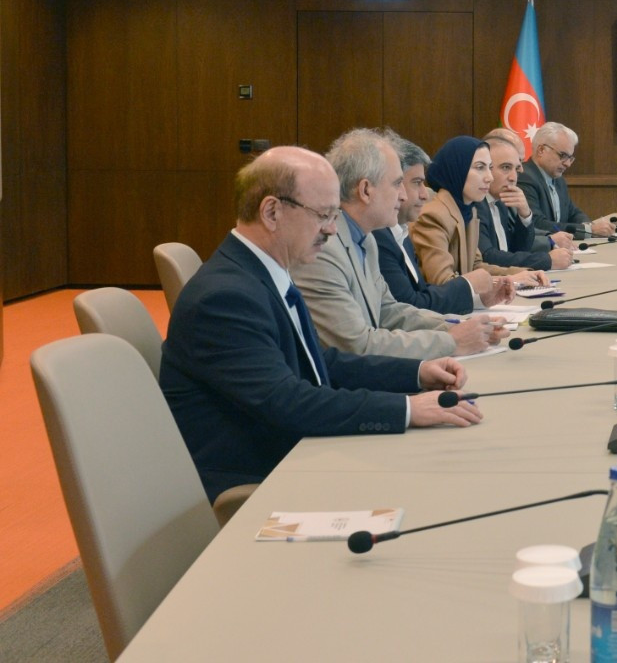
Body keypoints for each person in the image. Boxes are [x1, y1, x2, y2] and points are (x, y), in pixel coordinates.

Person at [159, 146, 483, 500]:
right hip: (260, 480)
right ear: (271, 212)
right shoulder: (226, 298)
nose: (331, 229)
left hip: (296, 453)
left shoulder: (262, 272)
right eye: (324, 215)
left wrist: (416, 373)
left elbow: (317, 362)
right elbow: (288, 402)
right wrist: (407, 410)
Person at [293, 128, 505, 358]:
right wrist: (451, 341)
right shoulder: (324, 250)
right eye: (397, 184)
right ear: (365, 190)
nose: (403, 196)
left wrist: (458, 327)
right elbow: (357, 345)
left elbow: (390, 311)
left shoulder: (366, 239)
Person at [411, 136, 549, 291]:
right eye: (479, 167)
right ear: (457, 169)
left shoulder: (467, 211)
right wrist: (507, 280)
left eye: (489, 168)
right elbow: (443, 282)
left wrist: (522, 273)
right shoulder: (434, 216)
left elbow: (475, 266)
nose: (489, 177)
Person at [371, 132, 480, 314]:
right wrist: (469, 286)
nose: (424, 194)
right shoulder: (378, 236)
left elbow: (420, 291)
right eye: (416, 183)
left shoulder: (401, 231)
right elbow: (409, 305)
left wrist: (480, 296)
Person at [476, 128, 572, 272]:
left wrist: (525, 215)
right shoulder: (475, 205)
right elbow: (488, 257)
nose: (513, 177)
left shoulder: (499, 203)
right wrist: (546, 260)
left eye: (516, 169)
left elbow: (516, 249)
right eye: (506, 167)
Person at [519, 121, 616, 238]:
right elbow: (537, 224)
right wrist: (589, 230)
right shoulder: (525, 177)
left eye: (570, 158)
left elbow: (573, 213)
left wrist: (590, 225)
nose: (568, 164)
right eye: (563, 156)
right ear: (541, 150)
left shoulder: (558, 180)